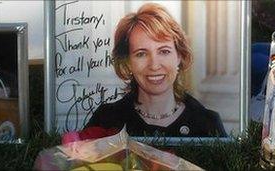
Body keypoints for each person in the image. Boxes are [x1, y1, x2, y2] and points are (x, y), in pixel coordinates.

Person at [85, 3, 226, 137]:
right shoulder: (106, 119)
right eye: (141, 54)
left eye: (164, 51)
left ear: (179, 56)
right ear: (128, 63)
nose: (154, 65)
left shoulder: (208, 123)